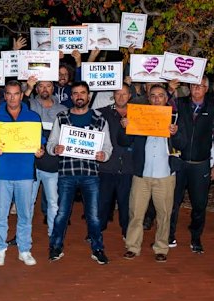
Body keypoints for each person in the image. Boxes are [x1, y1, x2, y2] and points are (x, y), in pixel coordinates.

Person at [46, 81, 112, 265]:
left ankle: (98, 248)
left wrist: (103, 155)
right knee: (62, 213)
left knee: (93, 215)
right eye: (75, 93)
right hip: (67, 172)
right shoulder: (62, 117)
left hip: (91, 174)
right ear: (72, 96)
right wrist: (55, 149)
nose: (79, 96)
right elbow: (50, 144)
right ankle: (56, 246)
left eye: (83, 93)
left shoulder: (100, 119)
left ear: (88, 96)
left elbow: (107, 146)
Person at [0, 80, 44, 267]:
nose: (12, 97)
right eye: (8, 94)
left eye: (16, 94)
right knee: (1, 214)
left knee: (25, 215)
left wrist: (40, 150)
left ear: (22, 95)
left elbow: (40, 142)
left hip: (25, 173)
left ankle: (24, 249)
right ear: (4, 95)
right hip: (3, 172)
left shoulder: (33, 117)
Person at [119, 85, 185, 262]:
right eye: (153, 96)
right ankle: (133, 246)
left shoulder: (176, 118)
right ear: (149, 98)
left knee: (164, 215)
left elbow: (183, 144)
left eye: (160, 96)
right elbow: (123, 141)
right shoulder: (139, 115)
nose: (156, 99)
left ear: (166, 99)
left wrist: (175, 134)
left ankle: (161, 248)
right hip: (142, 174)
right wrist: (125, 125)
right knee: (136, 213)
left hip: (165, 175)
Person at [169, 75, 212, 252]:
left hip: (201, 163)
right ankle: (169, 235)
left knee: (199, 204)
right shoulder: (180, 103)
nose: (196, 89)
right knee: (173, 202)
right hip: (179, 161)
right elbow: (162, 109)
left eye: (201, 86)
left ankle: (196, 237)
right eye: (194, 85)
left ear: (206, 89)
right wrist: (170, 90)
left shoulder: (212, 107)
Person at [28, 78, 68, 236]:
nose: (45, 89)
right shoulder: (28, 106)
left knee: (53, 202)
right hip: (30, 164)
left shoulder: (63, 110)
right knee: (27, 203)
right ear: (36, 88)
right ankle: (23, 235)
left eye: (48, 85)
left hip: (52, 165)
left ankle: (54, 236)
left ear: (53, 88)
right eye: (41, 86)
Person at [96, 84, 134, 239]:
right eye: (118, 94)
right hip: (107, 165)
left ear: (129, 95)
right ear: (113, 94)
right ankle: (97, 230)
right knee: (102, 201)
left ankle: (127, 231)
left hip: (128, 166)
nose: (121, 97)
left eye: (124, 94)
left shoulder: (139, 113)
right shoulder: (103, 113)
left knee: (126, 203)